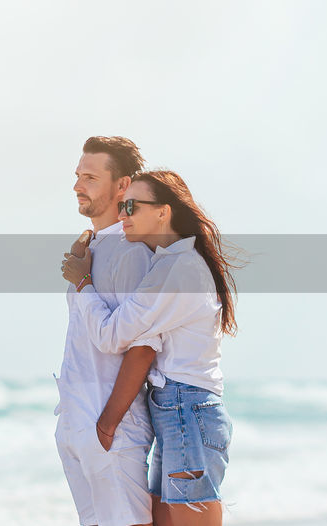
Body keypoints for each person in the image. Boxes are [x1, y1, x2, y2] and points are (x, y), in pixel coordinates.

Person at [61, 169, 238, 526]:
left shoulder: (178, 269)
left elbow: (113, 336)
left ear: (163, 211)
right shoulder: (170, 263)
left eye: (131, 206)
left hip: (186, 407)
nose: (122, 214)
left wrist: (83, 282)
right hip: (174, 407)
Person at [54, 137, 161, 526]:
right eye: (78, 176)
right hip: (79, 424)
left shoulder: (132, 251)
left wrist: (107, 426)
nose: (78, 186)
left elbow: (144, 345)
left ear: (122, 187)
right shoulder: (92, 248)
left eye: (91, 178)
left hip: (111, 429)